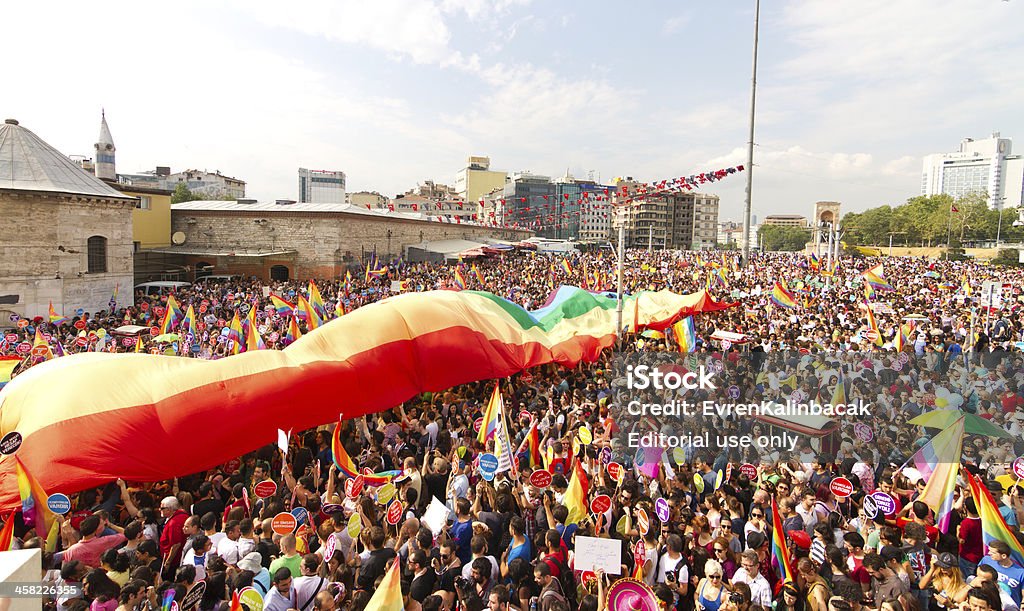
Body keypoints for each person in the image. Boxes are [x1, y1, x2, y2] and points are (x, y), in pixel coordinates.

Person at [978, 539, 1024, 608]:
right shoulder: (986, 560)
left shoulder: (1020, 572)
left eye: (993, 552)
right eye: (989, 550)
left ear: (1004, 556)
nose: (989, 553)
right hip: (988, 605)